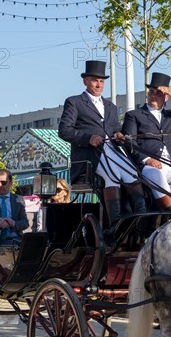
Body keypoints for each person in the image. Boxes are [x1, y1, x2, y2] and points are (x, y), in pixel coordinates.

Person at [58, 60, 146, 227]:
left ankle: (141, 217)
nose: (98, 85)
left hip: (112, 151)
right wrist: (88, 138)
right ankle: (115, 223)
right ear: (85, 81)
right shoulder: (74, 102)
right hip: (91, 156)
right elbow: (64, 131)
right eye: (94, 80)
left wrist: (119, 136)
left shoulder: (111, 106)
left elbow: (114, 128)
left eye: (101, 81)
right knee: (112, 174)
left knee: (133, 173)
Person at [122, 72, 171, 211]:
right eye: (151, 92)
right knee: (156, 174)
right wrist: (147, 159)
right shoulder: (134, 115)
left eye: (158, 93)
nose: (153, 95)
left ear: (166, 97)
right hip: (149, 166)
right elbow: (128, 142)